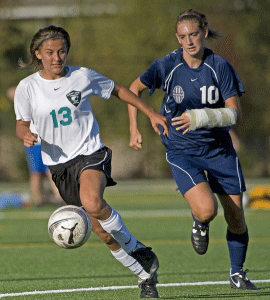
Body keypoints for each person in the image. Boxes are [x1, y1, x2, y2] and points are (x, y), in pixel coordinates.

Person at [14, 25, 169, 298]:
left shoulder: (82, 76)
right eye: (49, 52)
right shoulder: (27, 88)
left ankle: (138, 249)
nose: (57, 57)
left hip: (90, 153)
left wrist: (150, 114)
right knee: (104, 233)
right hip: (59, 167)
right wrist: (25, 134)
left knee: (93, 203)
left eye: (62, 51)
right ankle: (145, 275)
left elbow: (119, 90)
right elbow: (20, 124)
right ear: (38, 54)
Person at [128, 9, 258, 290]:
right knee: (207, 210)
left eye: (194, 35)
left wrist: (200, 117)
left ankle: (237, 273)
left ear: (204, 34)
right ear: (178, 38)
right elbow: (133, 90)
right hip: (181, 150)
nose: (189, 41)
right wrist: (138, 125)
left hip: (219, 150)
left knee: (236, 218)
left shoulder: (219, 66)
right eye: (183, 36)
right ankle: (200, 222)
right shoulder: (167, 66)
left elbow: (234, 113)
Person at [25, 121, 64, 206]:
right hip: (34, 144)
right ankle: (38, 201)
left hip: (50, 142)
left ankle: (59, 198)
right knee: (36, 173)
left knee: (51, 171)